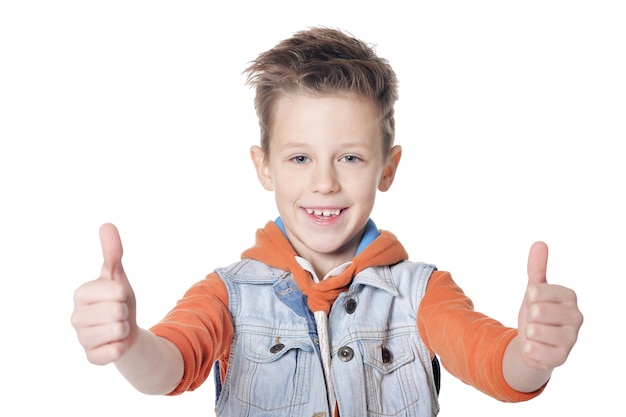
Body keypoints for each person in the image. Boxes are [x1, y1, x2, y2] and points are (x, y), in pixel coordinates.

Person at [71, 27, 583, 417]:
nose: (324, 184)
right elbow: (169, 366)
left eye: (351, 158)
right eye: (299, 159)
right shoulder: (226, 294)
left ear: (388, 167)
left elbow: (494, 362)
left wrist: (533, 353)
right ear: (263, 165)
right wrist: (130, 344)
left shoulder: (423, 292)